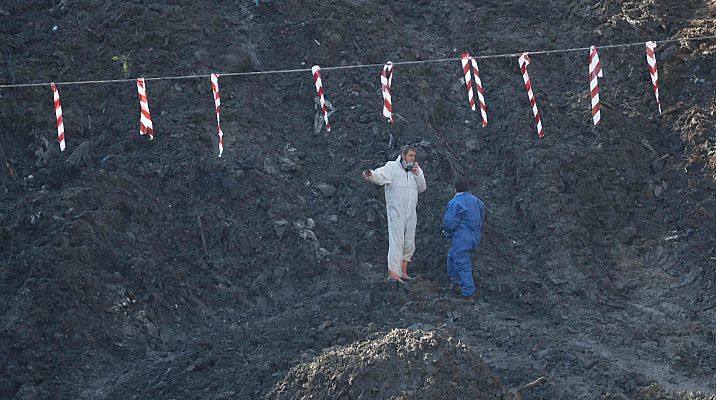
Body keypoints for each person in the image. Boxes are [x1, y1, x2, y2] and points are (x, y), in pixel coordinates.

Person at [363, 145, 427, 288]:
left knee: (409, 242)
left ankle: (403, 271)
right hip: (396, 211)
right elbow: (380, 175)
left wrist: (418, 174)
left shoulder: (415, 170)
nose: (412, 158)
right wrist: (370, 174)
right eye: (410, 155)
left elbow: (422, 188)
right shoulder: (392, 167)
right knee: (396, 241)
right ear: (403, 155)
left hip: (411, 211)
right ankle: (394, 273)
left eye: (414, 156)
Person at [443, 178, 485, 303]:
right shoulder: (477, 201)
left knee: (463, 264)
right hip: (474, 237)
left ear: (454, 188)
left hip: (462, 239)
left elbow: (450, 222)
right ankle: (455, 283)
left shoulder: (456, 202)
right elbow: (482, 217)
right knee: (452, 255)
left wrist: (447, 232)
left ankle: (468, 294)